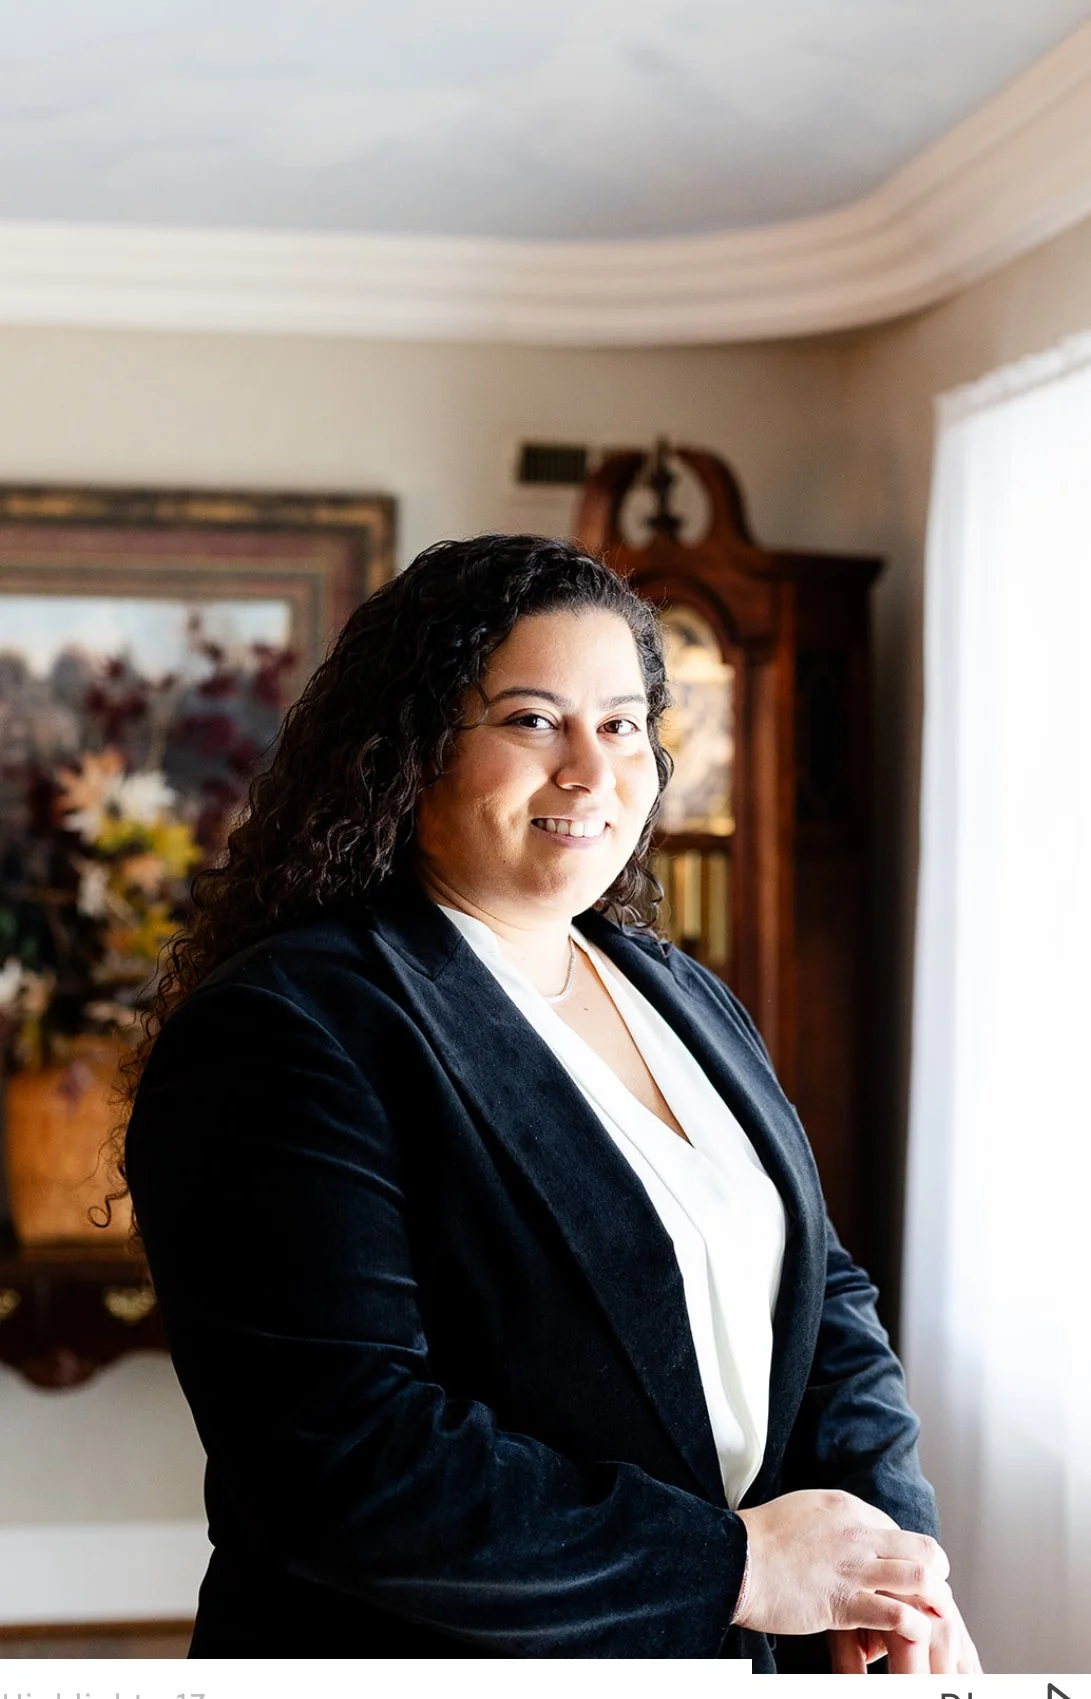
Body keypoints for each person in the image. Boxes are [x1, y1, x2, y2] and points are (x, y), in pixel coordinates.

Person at [122, 535, 979, 1670]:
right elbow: (346, 1459)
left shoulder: (678, 991)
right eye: (532, 720)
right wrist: (736, 1566)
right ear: (413, 747)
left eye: (622, 723)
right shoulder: (288, 1027)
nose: (590, 768)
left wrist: (891, 1566)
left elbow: (820, 1293)